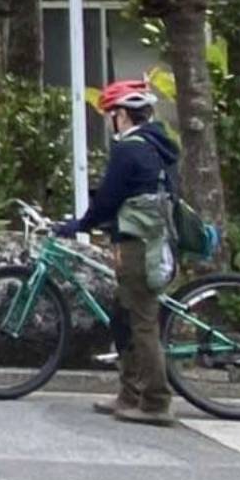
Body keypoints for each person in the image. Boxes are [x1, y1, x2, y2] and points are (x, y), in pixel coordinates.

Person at [55, 78, 180, 426]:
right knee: (122, 316)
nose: (110, 120)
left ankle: (155, 401)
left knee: (141, 322)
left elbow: (109, 198)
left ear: (122, 115)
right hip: (149, 241)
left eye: (111, 114)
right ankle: (129, 393)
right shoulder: (158, 145)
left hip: (140, 247)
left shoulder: (129, 148)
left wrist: (78, 225)